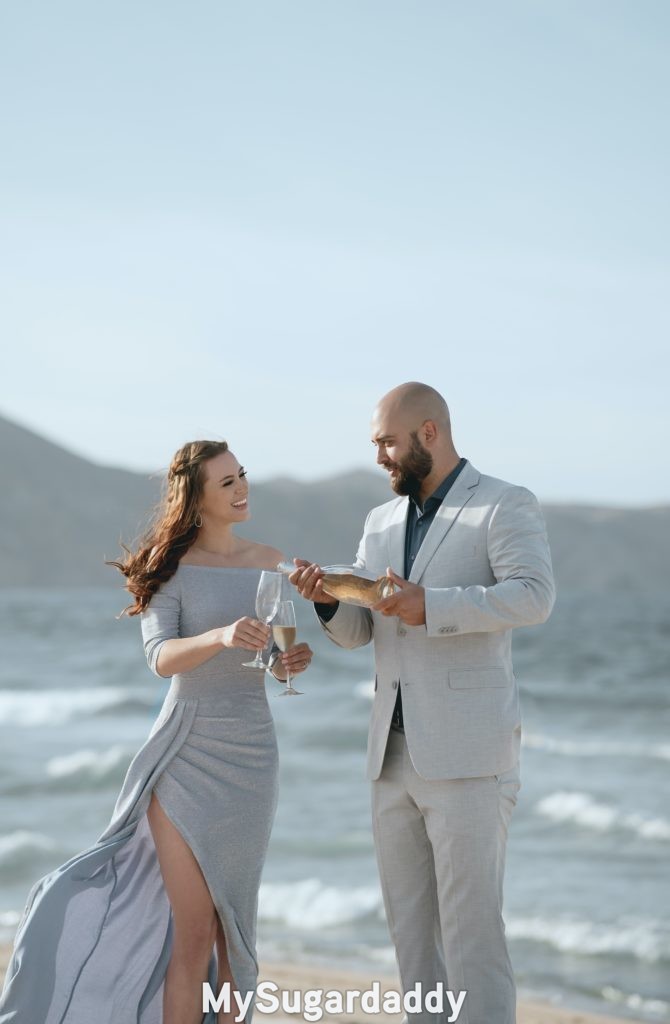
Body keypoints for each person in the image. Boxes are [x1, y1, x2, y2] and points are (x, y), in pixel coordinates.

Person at [0, 439, 312, 1024]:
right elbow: (161, 657)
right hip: (185, 754)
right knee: (193, 934)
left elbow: (265, 650)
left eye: (241, 475)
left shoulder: (269, 560)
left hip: (253, 757)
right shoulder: (167, 568)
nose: (242, 488)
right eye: (226, 483)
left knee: (235, 934)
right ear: (195, 498)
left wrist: (282, 663)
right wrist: (220, 635)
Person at [290, 383, 555, 1024]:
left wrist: (430, 603)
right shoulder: (379, 523)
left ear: (429, 433)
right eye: (376, 443)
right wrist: (326, 599)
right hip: (391, 755)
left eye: (388, 440)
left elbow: (533, 596)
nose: (379, 454)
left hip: (469, 755)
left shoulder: (502, 503)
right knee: (413, 947)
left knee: (472, 943)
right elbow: (360, 634)